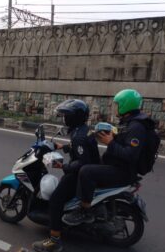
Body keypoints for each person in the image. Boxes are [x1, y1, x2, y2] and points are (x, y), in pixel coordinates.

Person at [62, 89, 155, 226]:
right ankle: (92, 203)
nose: (114, 107)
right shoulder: (129, 121)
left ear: (125, 105)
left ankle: (85, 211)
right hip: (118, 166)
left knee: (86, 171)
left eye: (117, 104)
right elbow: (124, 141)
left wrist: (110, 142)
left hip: (124, 171)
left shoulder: (136, 127)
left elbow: (130, 155)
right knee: (91, 164)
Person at [32, 99, 100, 252]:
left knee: (55, 200)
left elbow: (82, 162)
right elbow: (79, 149)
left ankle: (54, 241)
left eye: (67, 115)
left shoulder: (79, 136)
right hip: (89, 169)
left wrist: (63, 166)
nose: (65, 118)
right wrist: (61, 146)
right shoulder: (82, 130)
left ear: (75, 117)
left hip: (80, 173)